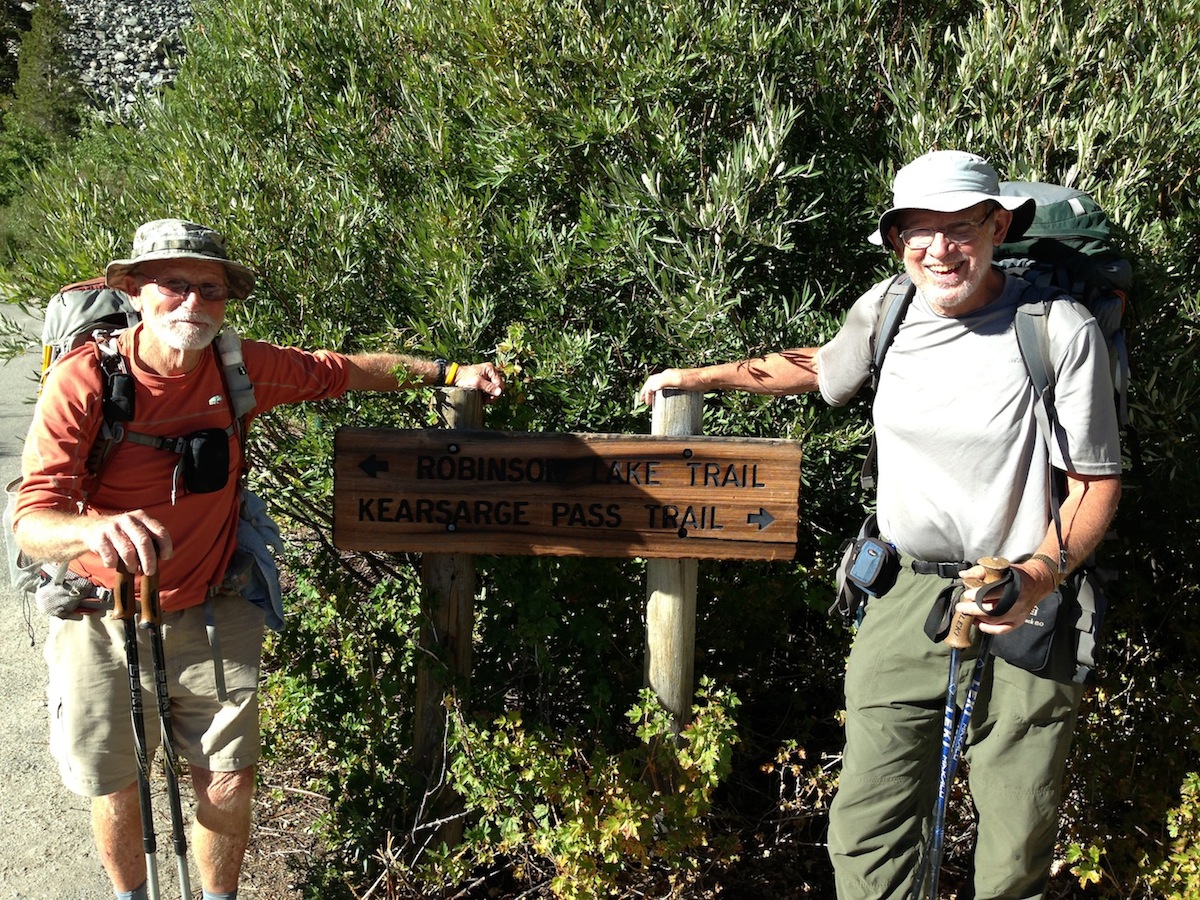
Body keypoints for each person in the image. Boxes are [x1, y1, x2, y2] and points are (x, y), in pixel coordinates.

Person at [638, 150, 1121, 899]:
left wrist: (1036, 576)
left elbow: (1095, 482)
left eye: (959, 227)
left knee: (1013, 839)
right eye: (918, 232)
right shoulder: (887, 309)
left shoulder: (1057, 329)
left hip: (1022, 603)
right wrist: (700, 377)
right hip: (902, 597)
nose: (939, 249)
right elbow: (819, 367)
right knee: (868, 827)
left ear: (997, 226)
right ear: (897, 242)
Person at [12, 219, 505, 900]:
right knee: (117, 783)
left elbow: (344, 371)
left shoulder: (237, 366)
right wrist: (93, 531)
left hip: (214, 606)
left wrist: (449, 372)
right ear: (135, 290)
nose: (192, 304)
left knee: (227, 777)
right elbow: (31, 519)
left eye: (209, 290)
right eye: (174, 285)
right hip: (104, 617)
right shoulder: (86, 379)